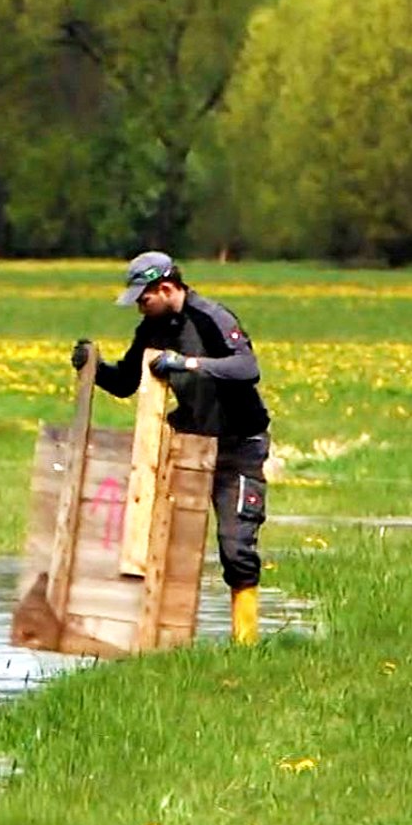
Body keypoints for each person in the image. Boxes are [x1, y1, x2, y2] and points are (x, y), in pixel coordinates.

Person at [71, 250, 272, 644]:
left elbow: (247, 368)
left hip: (238, 447)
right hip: (190, 445)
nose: (139, 309)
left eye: (143, 299)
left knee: (236, 549)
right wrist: (92, 367)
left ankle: (246, 646)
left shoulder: (212, 317)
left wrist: (188, 364)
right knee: (170, 542)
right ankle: (162, 636)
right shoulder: (150, 329)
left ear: (166, 288)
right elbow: (127, 382)